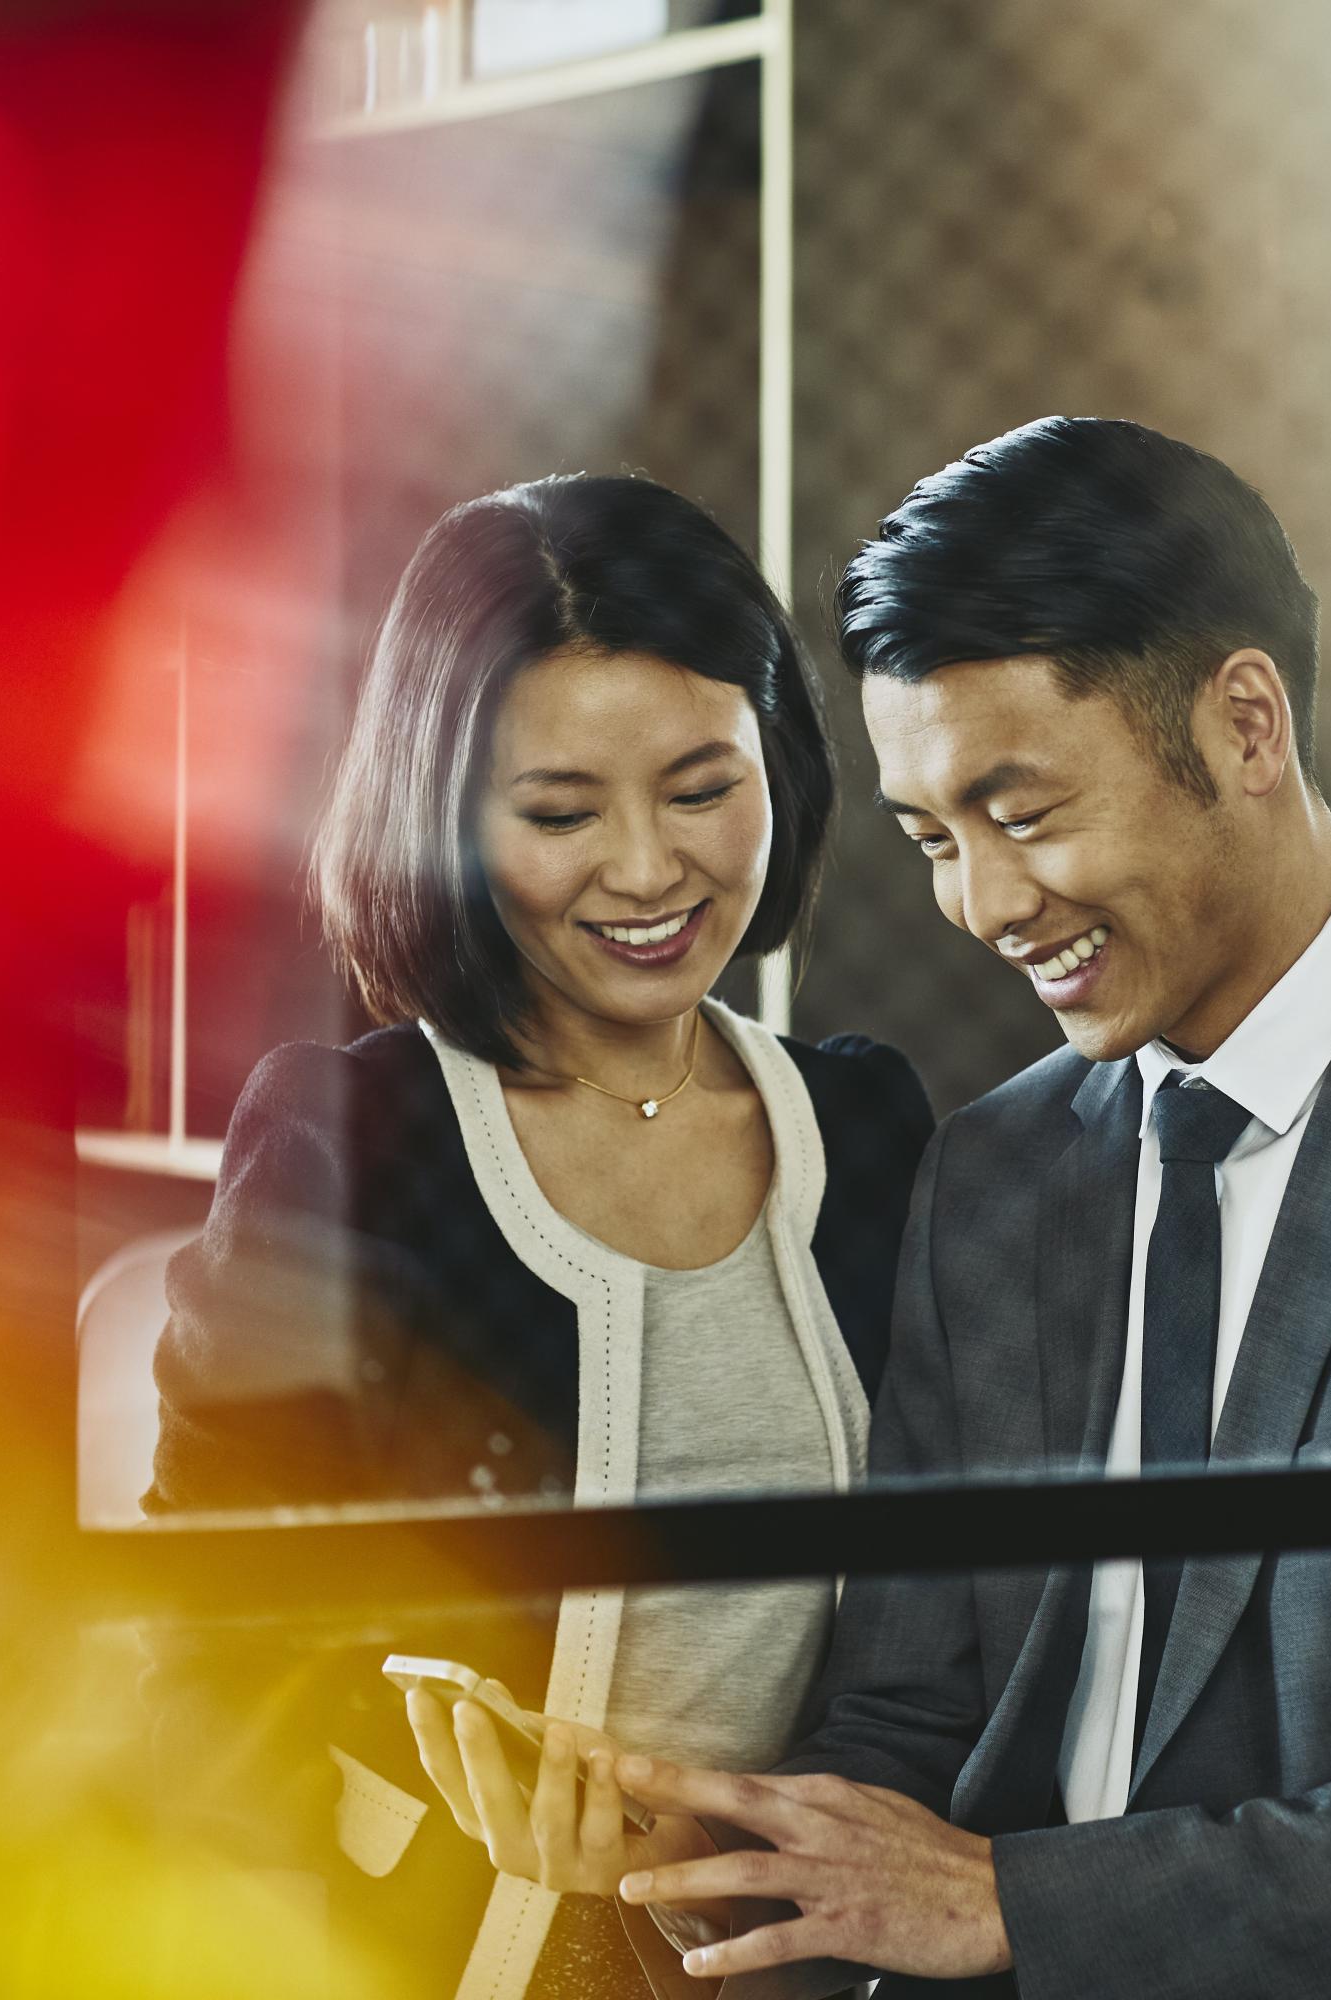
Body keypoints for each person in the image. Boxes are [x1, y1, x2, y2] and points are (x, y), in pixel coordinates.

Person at [582, 418, 1331, 1997]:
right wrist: (717, 1862)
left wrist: (1021, 1907)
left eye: (1027, 811)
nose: (985, 907)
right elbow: (917, 1722)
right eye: (936, 839)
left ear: (1247, 724)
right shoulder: (993, 1174)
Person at [143, 473, 932, 2000]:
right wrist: (423, 1761)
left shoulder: (873, 1131)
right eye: (560, 813)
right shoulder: (352, 1141)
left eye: (703, 788)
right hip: (454, 1957)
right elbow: (203, 1627)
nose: (647, 871)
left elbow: (949, 1628)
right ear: (445, 816)